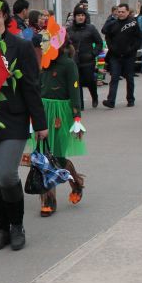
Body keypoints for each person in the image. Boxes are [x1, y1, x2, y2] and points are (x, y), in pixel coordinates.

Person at [0, 0, 48, 251]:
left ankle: (17, 226)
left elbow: (31, 86)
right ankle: (1, 230)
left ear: (4, 14)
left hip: (14, 119)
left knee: (6, 174)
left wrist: (40, 123)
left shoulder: (21, 46)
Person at [37, 29, 87, 217]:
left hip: (60, 115)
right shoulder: (43, 64)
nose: (42, 44)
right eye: (42, 41)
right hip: (43, 112)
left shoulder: (68, 64)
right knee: (42, 157)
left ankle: (76, 182)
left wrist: (76, 118)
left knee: (57, 158)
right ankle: (48, 200)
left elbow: (75, 91)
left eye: (46, 40)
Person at [101, 3, 142, 108]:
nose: (121, 14)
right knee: (114, 77)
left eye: (123, 12)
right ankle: (111, 101)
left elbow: (138, 39)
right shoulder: (113, 24)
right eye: (119, 12)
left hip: (129, 56)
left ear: (128, 12)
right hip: (115, 56)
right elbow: (107, 35)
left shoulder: (133, 23)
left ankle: (130, 99)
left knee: (129, 78)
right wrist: (111, 48)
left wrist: (132, 49)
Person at [67, 7, 103, 108]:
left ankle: (94, 96)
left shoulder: (90, 28)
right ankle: (80, 104)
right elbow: (65, 44)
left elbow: (99, 42)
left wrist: (93, 53)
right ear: (74, 17)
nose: (80, 17)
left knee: (89, 81)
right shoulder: (69, 30)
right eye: (78, 15)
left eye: (82, 15)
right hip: (74, 60)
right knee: (77, 82)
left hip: (88, 60)